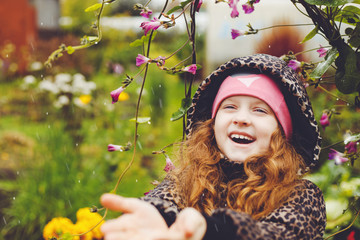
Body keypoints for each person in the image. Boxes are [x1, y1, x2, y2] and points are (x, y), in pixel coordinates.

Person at [100, 54, 326, 240]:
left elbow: (280, 234)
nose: (241, 118)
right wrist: (159, 216)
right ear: (212, 124)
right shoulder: (188, 180)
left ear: (282, 132)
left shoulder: (300, 195)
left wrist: (211, 229)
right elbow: (163, 202)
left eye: (260, 110)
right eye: (230, 107)